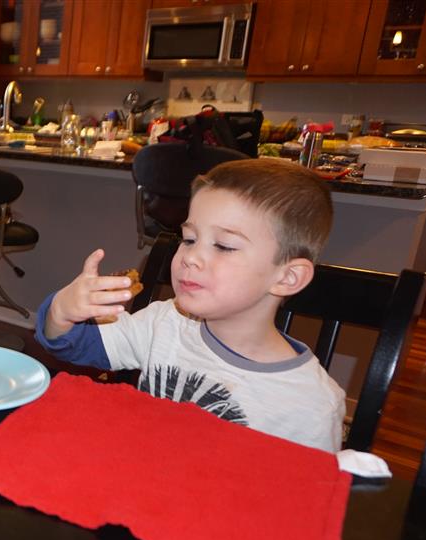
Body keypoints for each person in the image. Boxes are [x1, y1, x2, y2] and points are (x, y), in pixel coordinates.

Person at [36, 159, 345, 452]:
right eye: (188, 239)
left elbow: (311, 487)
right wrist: (61, 311)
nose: (191, 257)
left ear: (288, 277)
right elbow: (73, 344)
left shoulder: (311, 407)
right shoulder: (165, 322)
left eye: (224, 246)